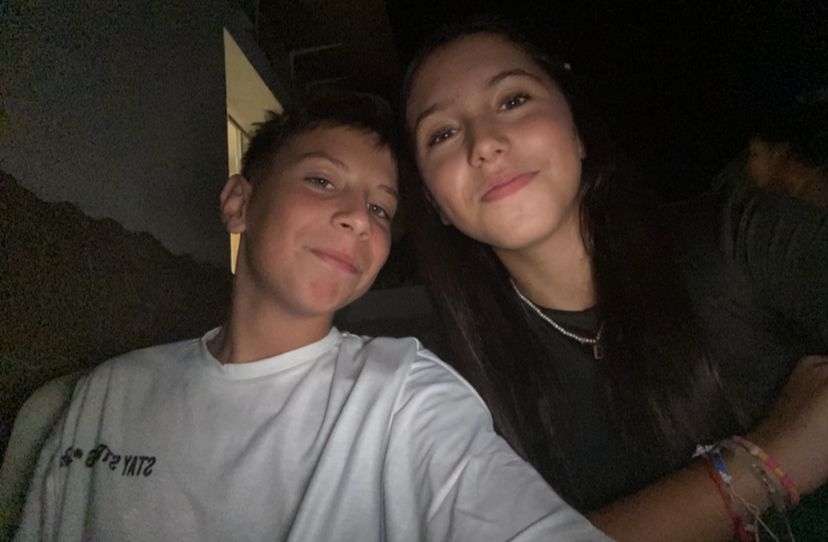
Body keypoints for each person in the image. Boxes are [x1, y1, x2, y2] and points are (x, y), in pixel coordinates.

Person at [12, 93, 608, 542]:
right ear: (240, 203)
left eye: (381, 208)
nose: (359, 219)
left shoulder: (399, 396)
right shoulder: (105, 395)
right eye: (323, 181)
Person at [402, 20, 828, 542]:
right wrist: (773, 461)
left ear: (578, 132)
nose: (485, 144)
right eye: (442, 134)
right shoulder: (452, 390)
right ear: (436, 204)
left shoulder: (741, 238)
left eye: (513, 100)